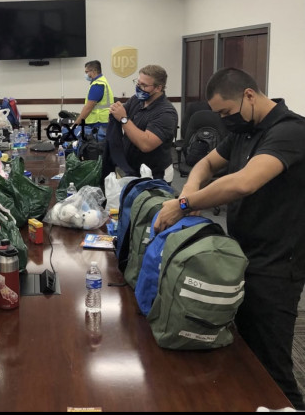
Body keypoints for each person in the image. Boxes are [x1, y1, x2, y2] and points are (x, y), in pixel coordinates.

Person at [154, 67, 305, 410]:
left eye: (225, 112)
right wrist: (189, 192)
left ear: (249, 96)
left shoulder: (291, 131)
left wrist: (183, 203)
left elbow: (243, 183)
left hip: (278, 265)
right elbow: (206, 164)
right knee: (243, 355)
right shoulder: (243, 130)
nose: (224, 120)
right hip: (242, 254)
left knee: (272, 367)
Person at [103, 64, 178, 181]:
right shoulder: (136, 100)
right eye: (138, 83)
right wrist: (115, 112)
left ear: (159, 88)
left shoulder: (166, 113)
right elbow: (119, 116)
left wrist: (123, 119)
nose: (139, 87)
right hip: (132, 171)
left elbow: (146, 144)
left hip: (155, 176)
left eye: (144, 85)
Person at [73, 60, 114, 135]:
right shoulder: (102, 81)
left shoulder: (97, 85)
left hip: (99, 122)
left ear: (94, 71)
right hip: (102, 121)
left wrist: (75, 125)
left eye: (86, 72)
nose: (85, 75)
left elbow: (88, 108)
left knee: (96, 145)